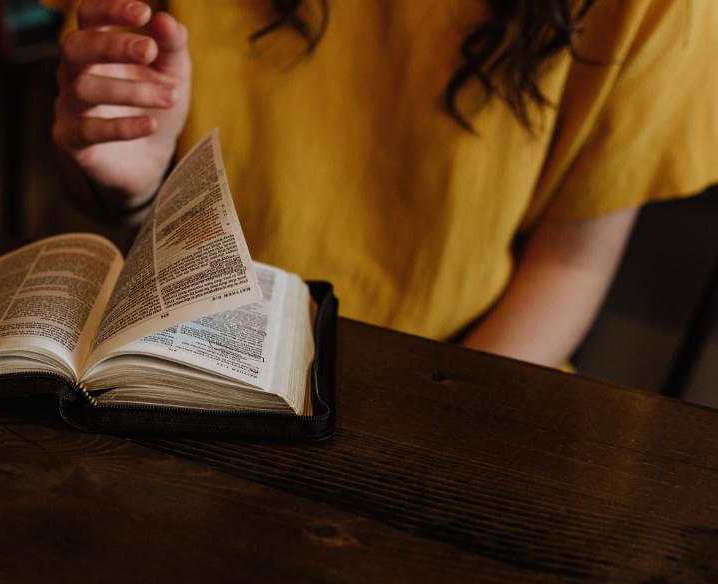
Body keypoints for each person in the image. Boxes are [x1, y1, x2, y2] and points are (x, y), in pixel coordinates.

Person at [50, 0, 718, 368]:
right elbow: (105, 199)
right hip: (183, 360)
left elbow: (571, 264)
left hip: (466, 376)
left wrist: (429, 423)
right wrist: (130, 186)